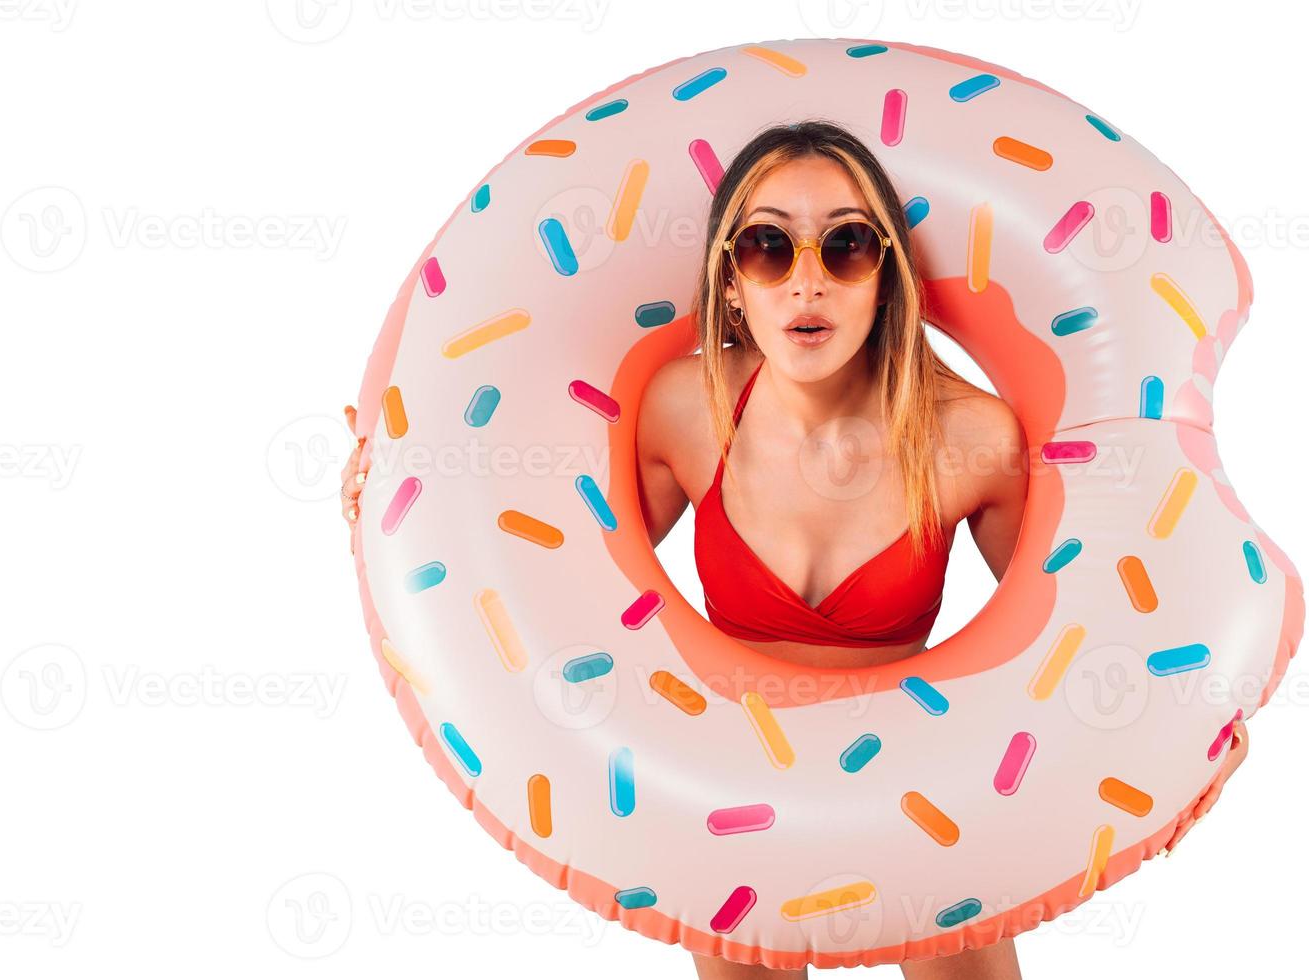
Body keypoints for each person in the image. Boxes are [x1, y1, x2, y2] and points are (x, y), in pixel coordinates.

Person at [337, 118, 1247, 980]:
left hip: (924, 785)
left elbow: (1078, 630)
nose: (805, 281)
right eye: (767, 247)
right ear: (729, 281)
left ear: (886, 276)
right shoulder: (681, 410)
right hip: (722, 782)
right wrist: (392, 499)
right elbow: (552, 574)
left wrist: (1171, 743)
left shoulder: (970, 436)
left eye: (845, 246)